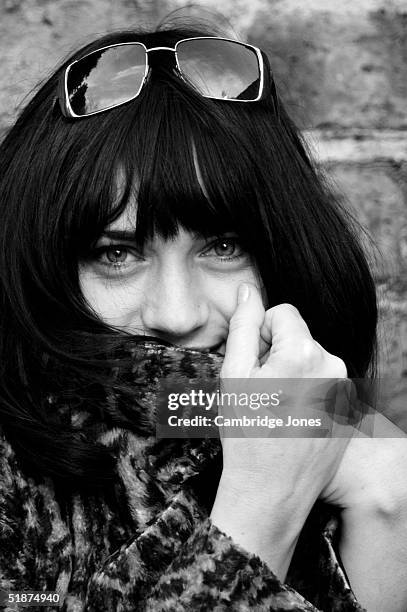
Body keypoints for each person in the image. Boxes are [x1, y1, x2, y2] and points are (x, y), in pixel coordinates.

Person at [0, 20, 406, 612]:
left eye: (222, 247)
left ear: (288, 259)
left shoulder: (367, 457)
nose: (175, 314)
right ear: (43, 270)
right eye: (116, 254)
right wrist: (260, 509)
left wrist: (386, 499)